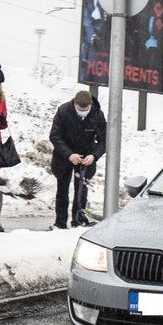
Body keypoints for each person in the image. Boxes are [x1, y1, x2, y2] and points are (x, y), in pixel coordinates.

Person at [49, 90, 107, 229]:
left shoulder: (97, 115)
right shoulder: (63, 111)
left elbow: (104, 140)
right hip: (64, 156)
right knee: (62, 190)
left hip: (86, 156)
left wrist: (93, 155)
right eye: (79, 109)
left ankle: (78, 220)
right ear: (74, 103)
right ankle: (60, 223)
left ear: (90, 105)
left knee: (81, 190)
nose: (82, 111)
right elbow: (55, 136)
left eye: (85, 109)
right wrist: (69, 154)